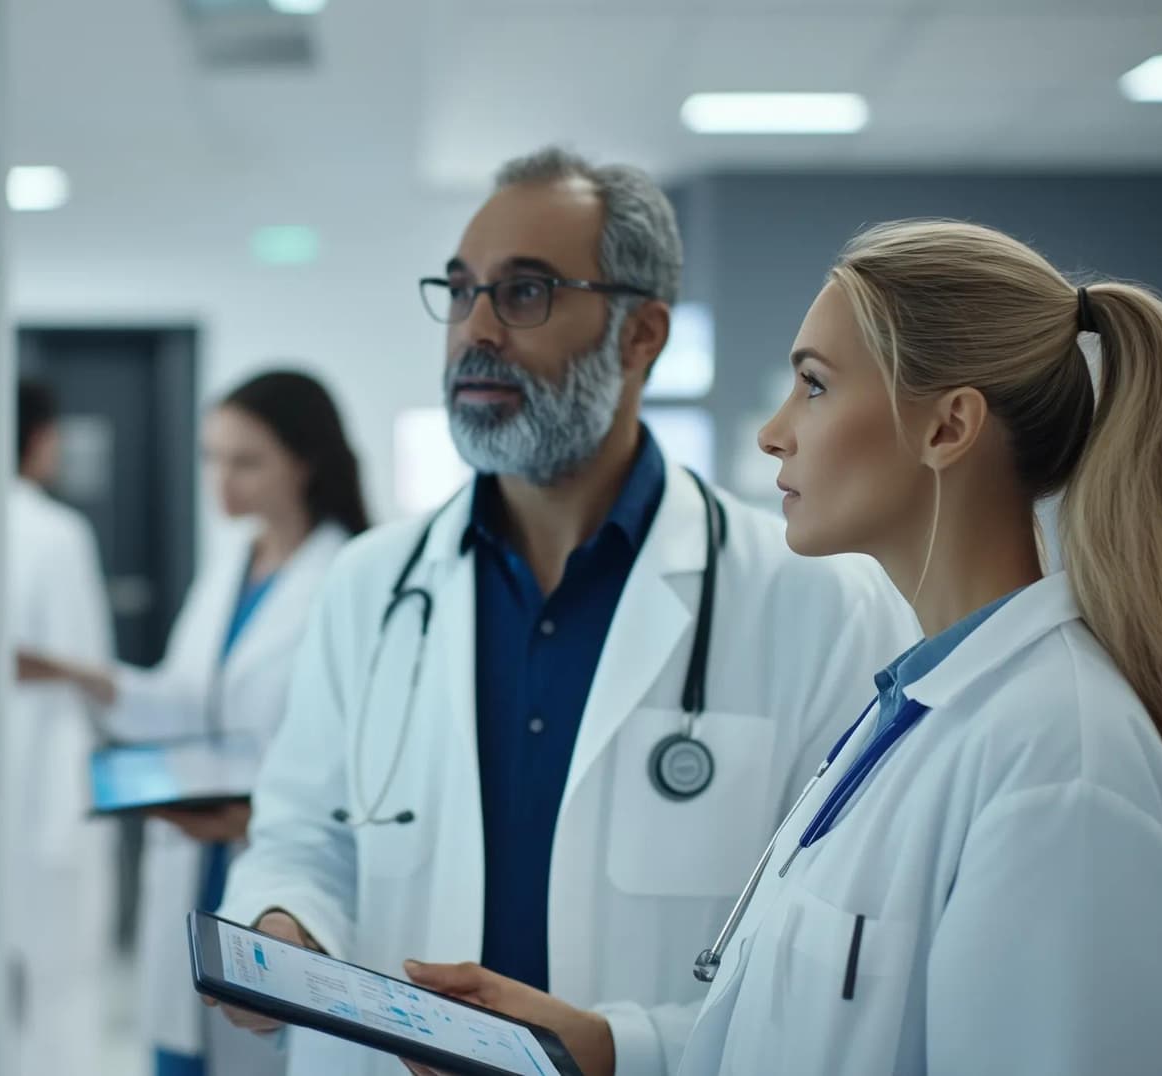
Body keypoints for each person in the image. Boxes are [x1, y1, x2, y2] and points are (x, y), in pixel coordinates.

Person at [403, 220, 1162, 1076]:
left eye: (815, 384)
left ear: (948, 428)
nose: (773, 430)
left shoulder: (1062, 762)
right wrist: (601, 1047)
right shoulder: (917, 714)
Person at [209, 148, 918, 1076]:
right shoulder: (372, 582)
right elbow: (303, 834)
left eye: (527, 293)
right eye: (461, 293)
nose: (477, 331)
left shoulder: (818, 601)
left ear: (641, 336)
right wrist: (282, 924)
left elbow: (840, 952)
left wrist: (627, 1049)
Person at [78, 370, 371, 1076]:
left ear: (304, 462)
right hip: (193, 859)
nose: (221, 480)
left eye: (245, 461)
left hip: (277, 873)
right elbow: (185, 700)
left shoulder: (352, 577)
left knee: (264, 1046)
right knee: (182, 1046)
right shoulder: (229, 566)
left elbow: (361, 768)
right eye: (212, 457)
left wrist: (249, 822)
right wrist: (77, 674)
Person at [4, 377, 119, 1076]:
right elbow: (90, 663)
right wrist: (102, 683)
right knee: (64, 977)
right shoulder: (55, 531)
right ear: (40, 438)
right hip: (51, 778)